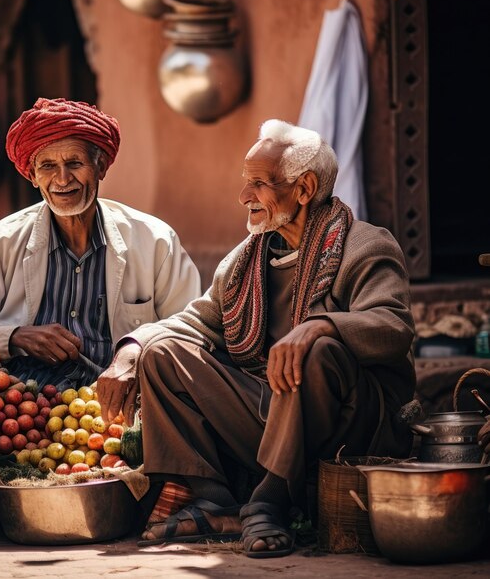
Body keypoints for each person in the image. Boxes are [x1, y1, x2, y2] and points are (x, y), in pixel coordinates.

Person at [98, 119, 416, 558]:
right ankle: (216, 500)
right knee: (163, 353)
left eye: (259, 185)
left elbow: (394, 326)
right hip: (271, 410)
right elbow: (195, 321)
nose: (243, 197)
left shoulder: (365, 246)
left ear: (304, 189)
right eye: (245, 183)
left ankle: (268, 501)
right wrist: (130, 351)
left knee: (317, 349)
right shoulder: (245, 261)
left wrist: (319, 326)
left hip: (350, 423)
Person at [0, 98, 201, 389]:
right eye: (48, 166)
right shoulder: (5, 239)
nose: (62, 179)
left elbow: (188, 331)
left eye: (75, 163)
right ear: (33, 176)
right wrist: (16, 336)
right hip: (23, 402)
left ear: (100, 167)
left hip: (125, 399)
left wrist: (137, 349)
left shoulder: (155, 241)